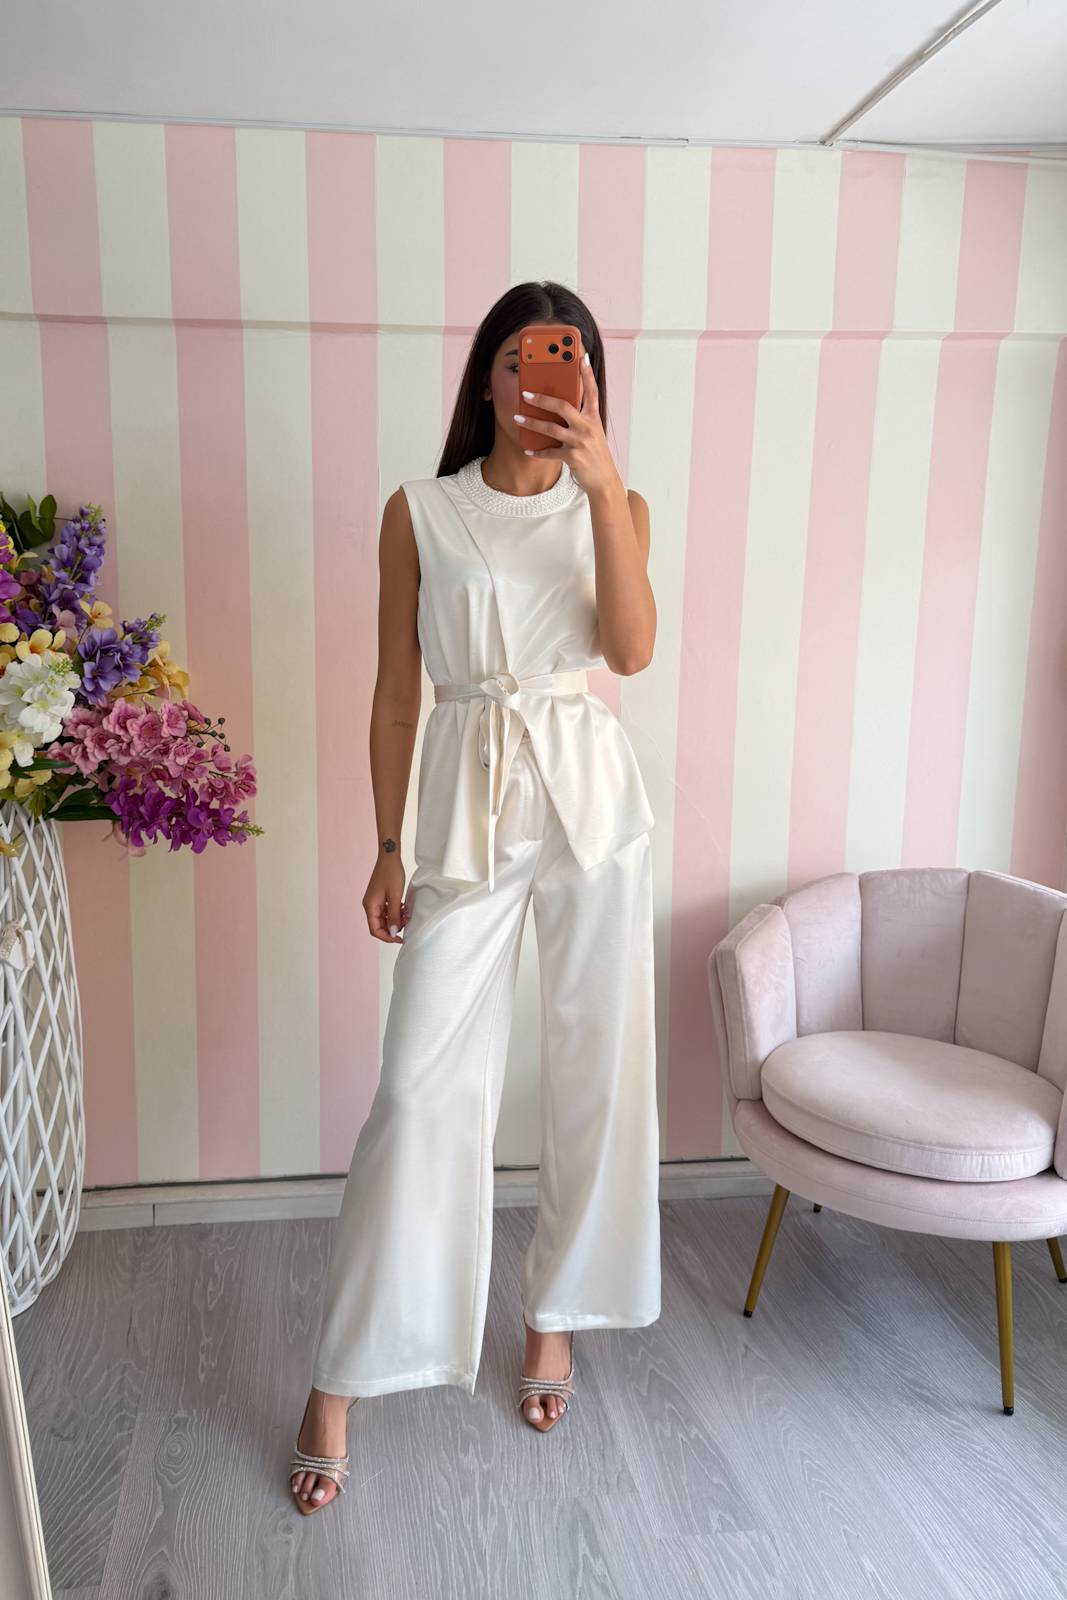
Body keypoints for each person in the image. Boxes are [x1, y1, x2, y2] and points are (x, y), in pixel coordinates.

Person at [289, 282, 661, 1513]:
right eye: (515, 358)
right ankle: (343, 1374)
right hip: (464, 810)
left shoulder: (618, 504)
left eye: (562, 359)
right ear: (485, 380)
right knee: (415, 1088)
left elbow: (629, 650)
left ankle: (555, 1315)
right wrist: (386, 843)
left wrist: (601, 486)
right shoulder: (420, 510)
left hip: (588, 803)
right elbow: (397, 690)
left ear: (587, 381)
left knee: (597, 1070)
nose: (536, 378)